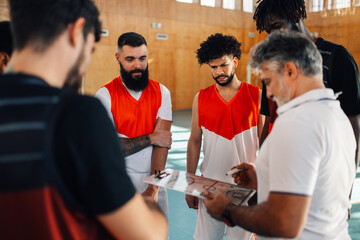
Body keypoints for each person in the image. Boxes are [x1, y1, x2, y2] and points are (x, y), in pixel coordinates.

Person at [0, 1, 167, 239]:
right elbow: (146, 234)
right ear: (76, 31)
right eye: (90, 48)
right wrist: (151, 206)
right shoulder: (78, 116)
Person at [203, 30, 356, 240]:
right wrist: (261, 183)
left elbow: (286, 223)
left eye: (268, 81)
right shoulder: (338, 116)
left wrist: (227, 210)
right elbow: (315, 192)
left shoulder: (297, 123)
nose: (268, 94)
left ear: (291, 71)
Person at [253, 0, 360, 171]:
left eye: (277, 26)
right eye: (268, 31)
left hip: (324, 170)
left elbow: (353, 123)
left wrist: (348, 182)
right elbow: (268, 122)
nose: (273, 36)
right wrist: (263, 169)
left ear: (296, 15)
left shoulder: (337, 58)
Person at [185, 33, 263, 240]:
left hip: (244, 190)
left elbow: (267, 145)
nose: (218, 71)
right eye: (213, 67)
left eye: (223, 65)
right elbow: (194, 141)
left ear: (235, 62)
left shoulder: (257, 96)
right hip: (210, 186)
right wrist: (190, 182)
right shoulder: (200, 98)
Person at [95, 32, 172, 217]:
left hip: (154, 181)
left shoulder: (162, 92)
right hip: (117, 182)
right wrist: (151, 137)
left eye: (142, 58)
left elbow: (162, 146)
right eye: (130, 59)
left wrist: (153, 190)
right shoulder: (105, 96)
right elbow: (109, 150)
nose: (137, 65)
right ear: (118, 58)